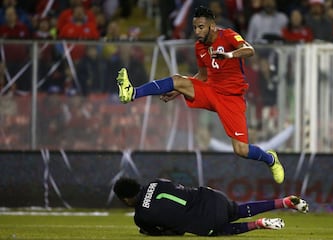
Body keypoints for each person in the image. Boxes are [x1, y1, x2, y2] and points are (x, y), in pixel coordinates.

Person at [116, 5, 285, 184]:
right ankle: (132, 92)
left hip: (231, 98)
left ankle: (270, 159)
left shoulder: (227, 35)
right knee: (178, 79)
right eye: (195, 27)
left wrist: (228, 55)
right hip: (211, 91)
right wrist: (178, 91)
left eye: (201, 27)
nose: (196, 31)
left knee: (241, 150)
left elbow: (249, 50)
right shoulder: (199, 47)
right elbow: (203, 76)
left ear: (212, 26)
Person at [113, 177, 309, 236]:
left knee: (219, 230)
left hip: (205, 220)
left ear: (125, 199)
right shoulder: (156, 182)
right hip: (211, 196)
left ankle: (258, 224)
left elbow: (170, 234)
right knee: (238, 210)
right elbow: (177, 186)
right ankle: (282, 202)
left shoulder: (141, 217)